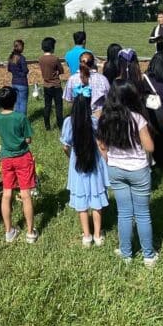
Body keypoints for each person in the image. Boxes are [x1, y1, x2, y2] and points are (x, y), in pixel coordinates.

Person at [97, 80, 157, 266]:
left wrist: (109, 160)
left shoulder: (104, 117)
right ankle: (148, 255)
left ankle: (126, 253)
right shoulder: (137, 119)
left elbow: (102, 145)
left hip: (115, 169)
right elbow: (149, 146)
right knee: (143, 214)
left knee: (123, 213)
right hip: (138, 169)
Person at [61, 81, 109, 247]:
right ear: (90, 105)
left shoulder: (68, 122)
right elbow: (102, 144)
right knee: (96, 199)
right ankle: (97, 234)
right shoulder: (94, 121)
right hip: (94, 164)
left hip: (77, 164)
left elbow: (65, 146)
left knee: (82, 202)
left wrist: (70, 157)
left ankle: (86, 236)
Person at [0, 87, 37, 244]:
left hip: (6, 158)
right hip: (23, 157)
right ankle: (30, 232)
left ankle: (9, 231)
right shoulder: (20, 117)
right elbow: (28, 139)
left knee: (6, 194)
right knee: (25, 195)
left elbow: (0, 134)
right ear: (15, 100)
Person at [38, 37, 64, 131]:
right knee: (58, 106)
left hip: (46, 85)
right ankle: (60, 125)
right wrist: (57, 72)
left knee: (47, 106)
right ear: (52, 47)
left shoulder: (40, 59)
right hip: (56, 85)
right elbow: (61, 70)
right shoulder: (55, 58)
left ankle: (47, 126)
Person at [7, 39, 29, 115]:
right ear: (21, 47)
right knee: (23, 102)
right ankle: (22, 120)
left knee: (16, 102)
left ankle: (16, 118)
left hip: (14, 82)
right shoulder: (22, 58)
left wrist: (15, 72)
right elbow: (25, 70)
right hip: (22, 82)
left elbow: (9, 69)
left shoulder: (11, 57)